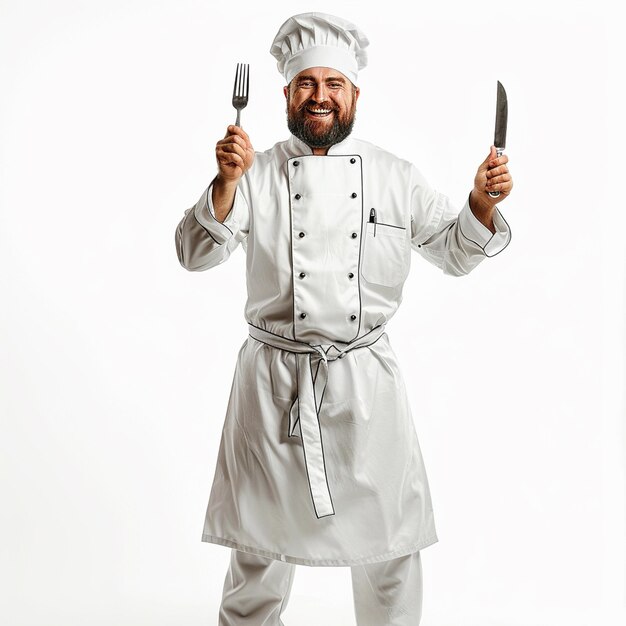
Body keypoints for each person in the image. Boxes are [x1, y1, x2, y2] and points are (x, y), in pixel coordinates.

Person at [175, 11, 513, 626]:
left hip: (367, 387)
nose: (321, 96)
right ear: (285, 94)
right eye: (308, 84)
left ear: (355, 94)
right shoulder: (252, 173)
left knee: (390, 548)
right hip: (275, 387)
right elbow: (193, 255)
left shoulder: (394, 176)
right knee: (258, 551)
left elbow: (456, 252)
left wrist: (480, 203)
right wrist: (223, 184)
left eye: (334, 84)